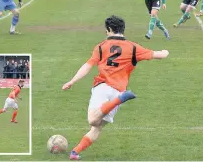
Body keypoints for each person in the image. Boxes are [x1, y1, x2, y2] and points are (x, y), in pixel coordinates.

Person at [62, 15, 169, 160]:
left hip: (103, 86)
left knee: (93, 120)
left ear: (109, 29)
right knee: (97, 128)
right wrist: (165, 52)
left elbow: (87, 66)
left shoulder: (101, 46)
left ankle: (120, 100)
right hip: (119, 89)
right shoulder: (133, 47)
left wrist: (72, 81)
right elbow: (158, 55)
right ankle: (75, 152)